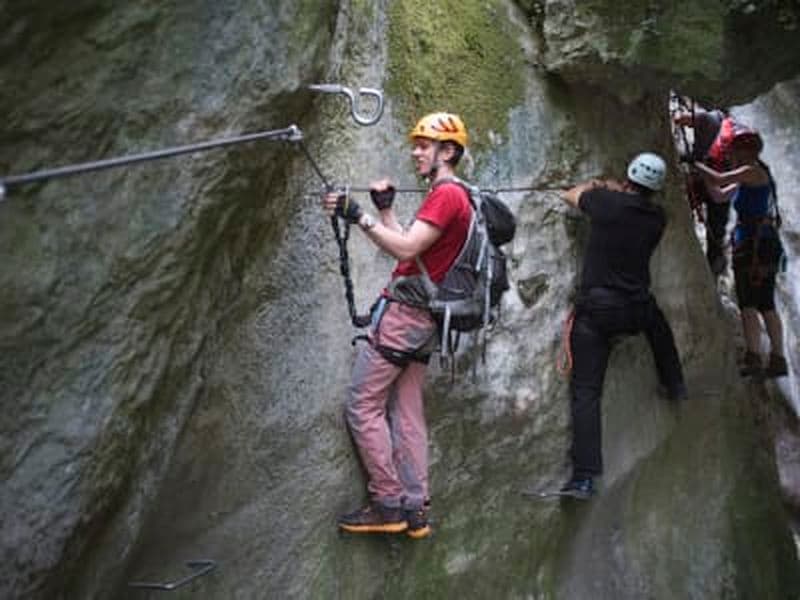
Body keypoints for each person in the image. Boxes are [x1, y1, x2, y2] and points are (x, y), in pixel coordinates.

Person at [322, 112, 472, 537]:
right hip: (426, 317)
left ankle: (387, 502)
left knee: (362, 403)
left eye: (424, 145)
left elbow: (406, 248)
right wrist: (385, 213)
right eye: (416, 144)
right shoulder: (456, 195)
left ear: (448, 151)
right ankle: (415, 507)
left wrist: (358, 215)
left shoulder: (446, 195)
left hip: (405, 316)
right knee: (407, 410)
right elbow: (413, 256)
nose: (415, 152)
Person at [558, 152, 687, 499]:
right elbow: (630, 204)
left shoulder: (604, 203)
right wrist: (614, 190)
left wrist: (596, 185)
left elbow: (571, 195)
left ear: (627, 179)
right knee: (658, 327)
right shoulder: (657, 218)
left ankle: (584, 478)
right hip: (636, 309)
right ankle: (675, 383)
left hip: (598, 312)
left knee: (586, 391)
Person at [693, 128, 788, 378]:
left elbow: (719, 180)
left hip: (753, 244)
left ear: (745, 152)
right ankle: (777, 360)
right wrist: (701, 178)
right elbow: (719, 195)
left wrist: (695, 162)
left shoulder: (750, 171)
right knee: (765, 302)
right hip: (762, 243)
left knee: (748, 302)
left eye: (733, 150)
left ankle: (754, 358)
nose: (729, 154)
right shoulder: (754, 173)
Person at [673, 105, 737, 275]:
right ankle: (713, 266)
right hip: (722, 181)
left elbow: (679, 119)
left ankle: (678, 249)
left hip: (699, 178)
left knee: (679, 210)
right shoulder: (734, 128)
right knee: (717, 229)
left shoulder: (704, 117)